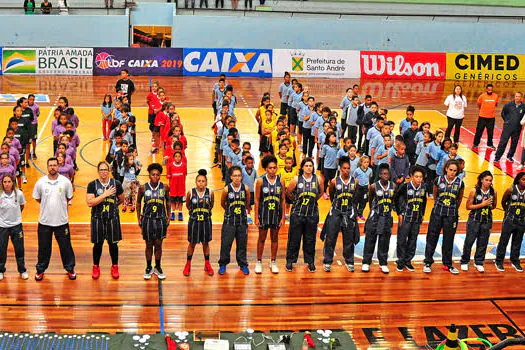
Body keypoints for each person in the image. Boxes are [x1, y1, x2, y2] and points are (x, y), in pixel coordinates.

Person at [33, 157, 76, 281]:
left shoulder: (65, 182)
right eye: (50, 165)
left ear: (58, 166)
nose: (52, 167)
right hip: (45, 222)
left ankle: (70, 269)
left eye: (54, 165)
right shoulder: (40, 182)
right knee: (43, 248)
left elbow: (69, 198)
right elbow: (37, 198)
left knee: (66, 247)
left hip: (61, 222)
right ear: (47, 167)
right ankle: (40, 270)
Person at [423, 160, 464, 274]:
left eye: (455, 171)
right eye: (450, 170)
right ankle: (428, 262)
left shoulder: (460, 183)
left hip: (451, 216)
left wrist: (453, 209)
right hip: (437, 213)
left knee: (448, 239)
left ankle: (447, 264)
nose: (452, 172)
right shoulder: (438, 180)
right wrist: (439, 205)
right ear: (446, 168)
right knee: (432, 237)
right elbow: (435, 195)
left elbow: (459, 199)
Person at [86, 161, 124, 280]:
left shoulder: (116, 183)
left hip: (112, 218)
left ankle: (115, 266)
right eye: (101, 170)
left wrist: (112, 207)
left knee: (113, 244)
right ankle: (96, 266)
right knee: (98, 244)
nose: (103, 172)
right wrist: (105, 195)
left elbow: (121, 199)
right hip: (98, 218)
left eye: (105, 170)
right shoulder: (92, 185)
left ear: (109, 171)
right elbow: (90, 202)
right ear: (98, 171)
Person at [285, 158, 324, 273]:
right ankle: (290, 260)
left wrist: (313, 199)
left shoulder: (318, 179)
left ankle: (310, 261)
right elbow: (288, 192)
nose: (308, 168)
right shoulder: (297, 179)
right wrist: (296, 201)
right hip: (297, 213)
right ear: (302, 167)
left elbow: (321, 193)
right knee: (294, 238)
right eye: (306, 165)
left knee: (310, 239)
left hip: (312, 214)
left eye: (310, 166)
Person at [321, 157, 359, 273]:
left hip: (348, 212)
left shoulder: (355, 182)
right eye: (344, 168)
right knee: (331, 237)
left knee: (349, 238)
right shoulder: (333, 182)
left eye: (348, 168)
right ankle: (327, 261)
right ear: (340, 169)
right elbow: (332, 196)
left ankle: (349, 261)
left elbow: (355, 197)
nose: (346, 170)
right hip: (336, 211)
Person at [137, 163, 170, 280]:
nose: (155, 177)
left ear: (160, 176)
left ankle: (158, 266)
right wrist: (138, 218)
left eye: (157, 175)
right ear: (149, 176)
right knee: (149, 244)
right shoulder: (143, 188)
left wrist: (169, 216)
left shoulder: (165, 187)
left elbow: (168, 202)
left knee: (159, 244)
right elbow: (138, 203)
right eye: (153, 175)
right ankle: (148, 266)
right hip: (148, 219)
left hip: (160, 219)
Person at [253, 156, 285, 274]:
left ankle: (273, 261)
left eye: (274, 168)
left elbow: (282, 200)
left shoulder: (280, 180)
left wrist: (283, 216)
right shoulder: (260, 181)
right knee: (261, 238)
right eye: (270, 168)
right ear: (266, 169)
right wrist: (256, 217)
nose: (273, 170)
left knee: (275, 239)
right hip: (264, 214)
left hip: (275, 214)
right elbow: (256, 200)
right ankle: (259, 261)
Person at [460, 171, 496, 273]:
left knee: (483, 242)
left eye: (490, 180)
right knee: (469, 241)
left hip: (487, 220)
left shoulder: (493, 192)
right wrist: (482, 204)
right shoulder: (474, 191)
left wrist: (487, 206)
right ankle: (464, 261)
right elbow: (468, 206)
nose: (488, 182)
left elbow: (494, 205)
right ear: (481, 180)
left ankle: (479, 262)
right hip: (474, 220)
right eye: (486, 180)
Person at [218, 166, 251, 275]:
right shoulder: (227, 189)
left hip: (242, 221)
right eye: (235, 176)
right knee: (226, 244)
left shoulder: (245, 188)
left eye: (239, 175)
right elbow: (223, 203)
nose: (237, 178)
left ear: (242, 177)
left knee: (242, 243)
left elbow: (247, 203)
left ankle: (243, 264)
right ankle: (223, 264)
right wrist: (230, 212)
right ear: (231, 177)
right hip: (229, 221)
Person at [362, 164, 394, 274]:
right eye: (384, 174)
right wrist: (374, 211)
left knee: (384, 241)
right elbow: (370, 201)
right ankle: (366, 262)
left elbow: (393, 200)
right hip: (375, 216)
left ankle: (383, 263)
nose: (386, 175)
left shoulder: (393, 186)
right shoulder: (373, 186)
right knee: (370, 239)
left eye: (387, 174)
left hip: (387, 217)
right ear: (380, 175)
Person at [393, 166, 427, 272]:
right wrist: (399, 213)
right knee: (402, 240)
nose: (418, 179)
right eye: (416, 176)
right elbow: (395, 198)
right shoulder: (405, 186)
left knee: (413, 240)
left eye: (420, 177)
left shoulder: (424, 187)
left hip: (416, 218)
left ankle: (408, 261)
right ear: (412, 177)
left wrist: (423, 214)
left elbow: (424, 200)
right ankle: (401, 261)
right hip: (405, 217)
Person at [183, 169, 214, 277]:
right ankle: (188, 264)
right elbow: (187, 205)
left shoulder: (210, 192)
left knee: (205, 243)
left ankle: (207, 264)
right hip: (194, 222)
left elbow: (212, 205)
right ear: (196, 182)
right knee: (192, 244)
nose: (201, 183)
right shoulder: (191, 192)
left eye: (203, 181)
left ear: (206, 182)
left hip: (206, 221)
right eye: (199, 181)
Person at [495, 172, 525, 272]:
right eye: (523, 179)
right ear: (518, 180)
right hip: (510, 219)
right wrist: (507, 212)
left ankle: (515, 260)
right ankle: (499, 261)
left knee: (517, 242)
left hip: (522, 220)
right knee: (504, 241)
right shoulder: (511, 189)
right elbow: (503, 202)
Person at [0, 175, 28, 281]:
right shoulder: (0, 195)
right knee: (1, 250)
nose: (7, 184)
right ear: (2, 183)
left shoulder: (19, 194)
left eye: (9, 181)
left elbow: (22, 206)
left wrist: (15, 218)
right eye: (5, 182)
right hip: (2, 227)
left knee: (19, 249)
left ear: (13, 182)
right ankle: (1, 270)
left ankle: (22, 270)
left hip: (16, 226)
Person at [494, 92, 525, 164]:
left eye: (519, 96)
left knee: (514, 143)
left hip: (517, 128)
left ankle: (510, 156)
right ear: (514, 97)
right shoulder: (508, 105)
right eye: (516, 96)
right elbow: (503, 113)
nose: (517, 98)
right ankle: (497, 157)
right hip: (507, 128)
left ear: (521, 97)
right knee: (503, 142)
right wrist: (507, 121)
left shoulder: (523, 107)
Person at [473, 84, 498, 150]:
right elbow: (479, 104)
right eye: (489, 89)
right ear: (486, 89)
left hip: (491, 118)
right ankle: (475, 144)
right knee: (479, 131)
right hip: (482, 117)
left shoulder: (495, 96)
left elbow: (496, 104)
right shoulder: (482, 96)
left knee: (490, 132)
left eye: (491, 89)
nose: (490, 90)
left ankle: (490, 144)